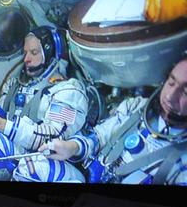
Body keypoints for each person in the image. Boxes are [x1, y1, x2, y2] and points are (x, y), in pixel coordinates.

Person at [42, 55, 187, 185]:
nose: (170, 96)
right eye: (171, 82)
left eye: (185, 91)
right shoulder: (136, 107)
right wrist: (72, 147)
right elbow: (100, 135)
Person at [0, 27, 89, 179]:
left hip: (48, 163)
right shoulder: (15, 84)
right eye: (25, 53)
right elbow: (1, 114)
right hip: (20, 151)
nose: (26, 59)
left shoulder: (68, 91)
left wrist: (1, 124)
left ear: (50, 54)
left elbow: (52, 139)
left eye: (34, 53)